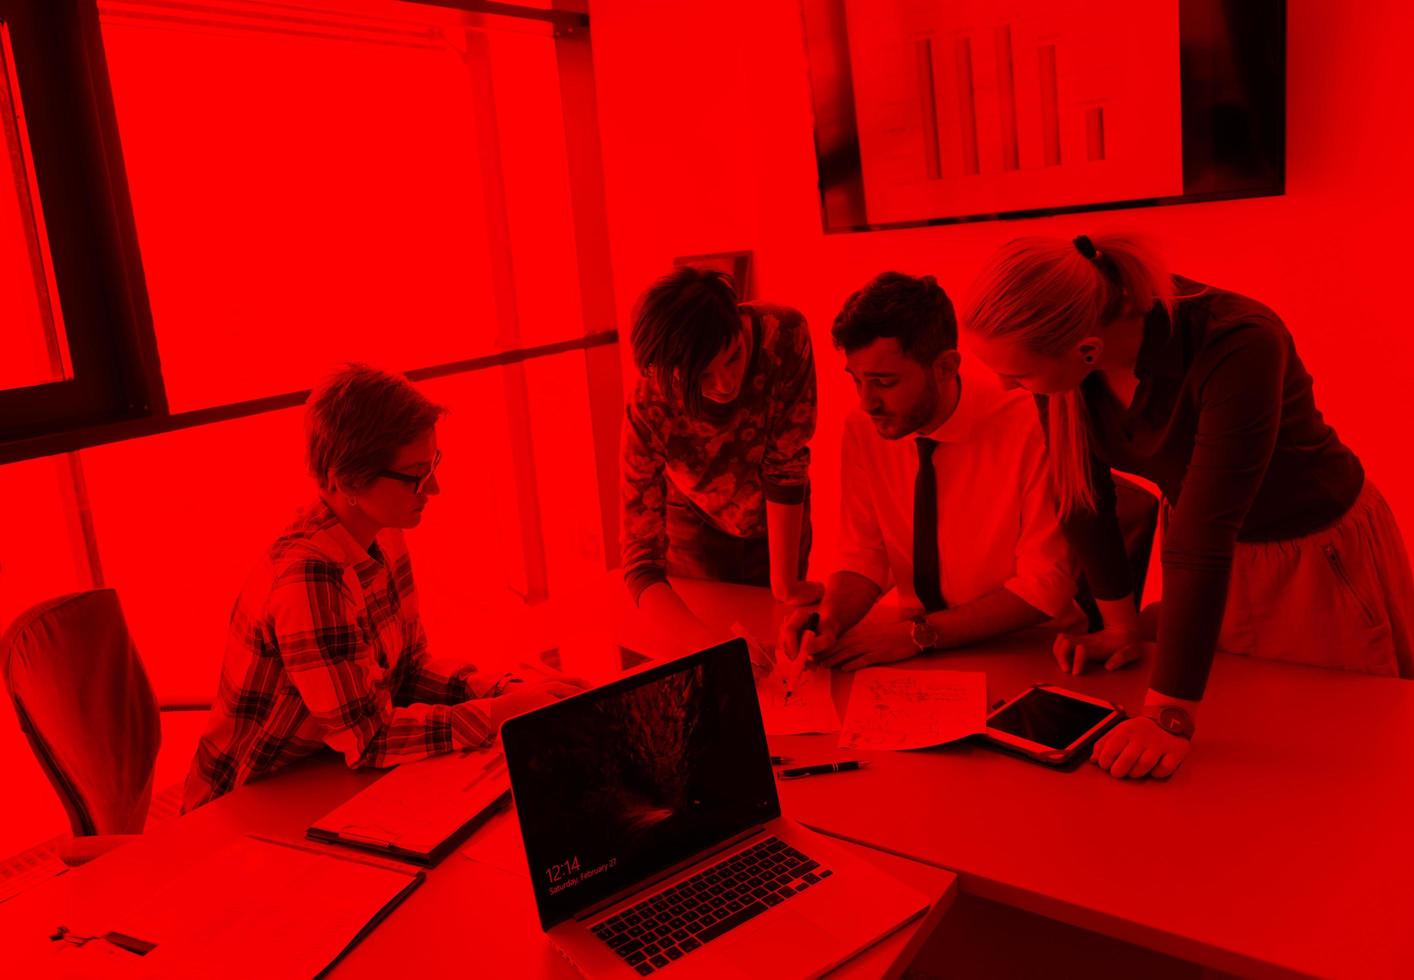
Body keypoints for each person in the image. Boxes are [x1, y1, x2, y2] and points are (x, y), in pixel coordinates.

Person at [962, 233, 1414, 780]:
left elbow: (1203, 534)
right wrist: (1119, 625)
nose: (1006, 387)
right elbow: (1083, 496)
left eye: (1019, 375)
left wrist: (1169, 716)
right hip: (1213, 557)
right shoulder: (1067, 360)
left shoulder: (1240, 341)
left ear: (1087, 349)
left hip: (1312, 558)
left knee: (1327, 759)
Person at [184, 365, 581, 810]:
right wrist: (495, 717)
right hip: (245, 806)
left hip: (320, 778)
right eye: (414, 474)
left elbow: (407, 673)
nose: (433, 487)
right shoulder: (311, 580)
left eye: (432, 465)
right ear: (347, 478)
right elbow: (368, 739)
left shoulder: (382, 534)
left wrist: (505, 691)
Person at [777, 272, 1082, 673]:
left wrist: (917, 635)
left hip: (1030, 650)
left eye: (884, 382)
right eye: (856, 381)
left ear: (945, 367)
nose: (867, 402)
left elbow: (1046, 587)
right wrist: (831, 618)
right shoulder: (862, 427)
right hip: (923, 651)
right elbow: (865, 554)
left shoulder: (1031, 425)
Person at [621, 267, 822, 653]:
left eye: (732, 358)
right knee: (713, 656)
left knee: (784, 652)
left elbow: (786, 461)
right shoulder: (649, 402)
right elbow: (640, 556)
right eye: (702, 378)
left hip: (776, 513)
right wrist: (708, 645)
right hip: (692, 523)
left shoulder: (784, 334)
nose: (725, 384)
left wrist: (786, 583)